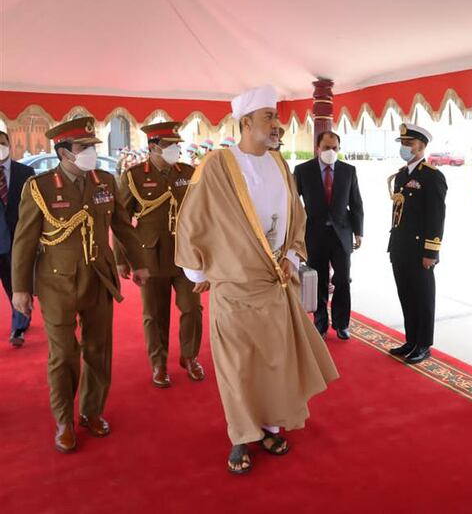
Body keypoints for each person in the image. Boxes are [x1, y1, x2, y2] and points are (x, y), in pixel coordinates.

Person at [174, 85, 338, 475]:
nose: (277, 126)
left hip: (276, 285)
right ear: (245, 122)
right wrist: (198, 272)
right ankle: (240, 435)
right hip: (234, 287)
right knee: (238, 366)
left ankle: (268, 427)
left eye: (277, 118)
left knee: (273, 361)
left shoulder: (280, 165)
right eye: (269, 118)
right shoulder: (218, 165)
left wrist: (294, 257)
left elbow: (296, 218)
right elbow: (192, 219)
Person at [11, 117, 150, 453]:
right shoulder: (40, 187)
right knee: (64, 355)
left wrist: (138, 262)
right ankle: (64, 420)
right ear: (63, 152)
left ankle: (91, 411)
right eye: (83, 148)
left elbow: (123, 225)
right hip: (57, 283)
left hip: (99, 278)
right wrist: (20, 288)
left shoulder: (104, 180)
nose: (90, 153)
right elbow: (25, 240)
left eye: (92, 147)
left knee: (98, 350)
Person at [115, 121, 205, 388]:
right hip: (150, 255)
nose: (176, 149)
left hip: (187, 254)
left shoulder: (188, 172)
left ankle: (189, 356)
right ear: (153, 147)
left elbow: (202, 212)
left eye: (177, 145)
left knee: (192, 308)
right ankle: (159, 363)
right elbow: (120, 219)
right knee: (155, 314)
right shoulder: (133, 176)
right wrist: (122, 258)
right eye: (170, 145)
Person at [294, 131, 364, 340]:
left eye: (334, 148)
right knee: (319, 280)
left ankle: (342, 324)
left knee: (343, 279)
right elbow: (293, 204)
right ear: (317, 148)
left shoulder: (348, 171)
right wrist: (294, 233)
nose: (330, 152)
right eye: (326, 148)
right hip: (314, 235)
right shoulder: (303, 170)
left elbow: (356, 202)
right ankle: (321, 323)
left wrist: (359, 231)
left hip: (341, 234)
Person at [386, 124, 447, 364]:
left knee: (423, 298)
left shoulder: (432, 176)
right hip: (400, 246)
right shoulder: (402, 175)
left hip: (421, 249)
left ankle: (423, 344)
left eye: (408, 143)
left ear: (421, 146)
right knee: (406, 295)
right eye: (402, 143)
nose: (404, 148)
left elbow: (436, 216)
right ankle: (411, 340)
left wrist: (431, 251)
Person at [0, 130, 35, 347]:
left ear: (9, 145)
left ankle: (19, 327)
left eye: (2, 143)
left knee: (17, 285)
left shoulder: (25, 172)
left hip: (17, 241)